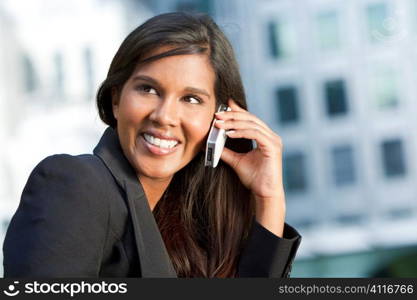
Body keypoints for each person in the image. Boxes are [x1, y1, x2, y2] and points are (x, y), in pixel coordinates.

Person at [3, 12, 301, 278]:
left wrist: (268, 197)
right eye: (148, 89)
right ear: (116, 99)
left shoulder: (182, 229)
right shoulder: (75, 185)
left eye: (191, 99)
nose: (165, 116)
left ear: (220, 119)